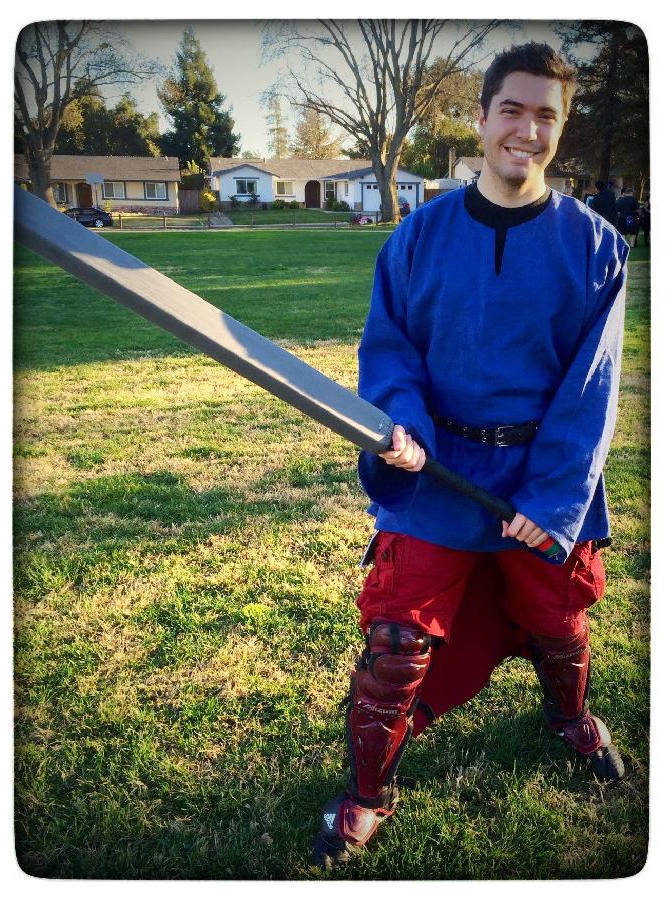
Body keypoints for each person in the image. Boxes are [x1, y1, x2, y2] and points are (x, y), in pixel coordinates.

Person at [313, 42, 628, 870]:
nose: (527, 130)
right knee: (395, 639)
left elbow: (590, 390)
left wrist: (554, 500)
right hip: (437, 476)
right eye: (513, 111)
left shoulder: (595, 247)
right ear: (482, 119)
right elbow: (390, 352)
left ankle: (570, 716)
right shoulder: (416, 238)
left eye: (546, 117)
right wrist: (403, 427)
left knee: (558, 622)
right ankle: (366, 794)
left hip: (537, 480)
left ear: (559, 130)